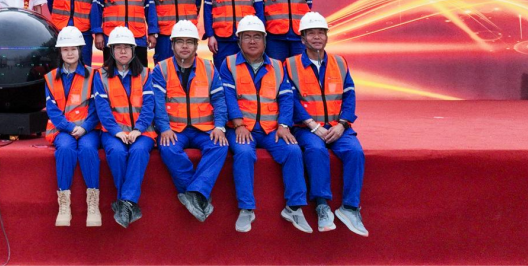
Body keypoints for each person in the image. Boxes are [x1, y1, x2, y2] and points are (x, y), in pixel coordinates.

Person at [219, 15, 311, 234]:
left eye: (257, 37)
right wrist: (238, 124)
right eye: (247, 37)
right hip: (241, 128)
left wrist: (284, 125)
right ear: (239, 40)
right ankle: (246, 208)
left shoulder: (277, 66)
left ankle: (294, 207)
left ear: (265, 40)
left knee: (293, 151)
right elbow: (227, 97)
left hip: (271, 130)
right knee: (243, 153)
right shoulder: (228, 64)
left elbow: (286, 98)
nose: (252, 41)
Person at [285, 12, 368, 236]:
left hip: (337, 126)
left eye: (321, 33)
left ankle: (350, 208)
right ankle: (322, 206)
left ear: (327, 36)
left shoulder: (339, 62)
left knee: (355, 152)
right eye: (311, 33)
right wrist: (313, 126)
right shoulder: (290, 65)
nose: (317, 37)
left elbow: (349, 95)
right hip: (306, 128)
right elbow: (291, 101)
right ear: (302, 39)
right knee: (315, 150)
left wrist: (342, 124)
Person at [151, 20, 228, 224]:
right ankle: (198, 194)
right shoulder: (161, 69)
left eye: (189, 42)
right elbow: (158, 103)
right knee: (168, 149)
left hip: (204, 129)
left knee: (220, 146)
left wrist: (219, 127)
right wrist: (164, 128)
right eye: (180, 42)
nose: (184, 46)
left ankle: (194, 193)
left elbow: (219, 100)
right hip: (175, 129)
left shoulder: (209, 68)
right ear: (172, 45)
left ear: (195, 45)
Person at [92, 26, 156, 228]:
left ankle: (124, 201)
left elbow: (149, 106)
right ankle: (128, 203)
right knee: (117, 152)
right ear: (111, 51)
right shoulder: (101, 75)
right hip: (113, 132)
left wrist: (138, 129)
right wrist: (117, 132)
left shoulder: (146, 74)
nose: (122, 51)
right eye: (118, 47)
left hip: (142, 131)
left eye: (126, 47)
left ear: (133, 50)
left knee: (138, 151)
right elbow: (102, 109)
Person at [44, 26, 101, 227]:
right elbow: (52, 110)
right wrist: (69, 128)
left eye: (73, 49)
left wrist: (85, 127)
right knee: (65, 149)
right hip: (63, 130)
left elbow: (97, 107)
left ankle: (93, 204)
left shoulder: (93, 75)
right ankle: (64, 204)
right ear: (60, 52)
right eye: (65, 49)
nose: (69, 53)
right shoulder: (50, 77)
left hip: (88, 129)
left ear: (80, 51)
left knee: (88, 149)